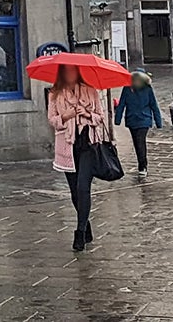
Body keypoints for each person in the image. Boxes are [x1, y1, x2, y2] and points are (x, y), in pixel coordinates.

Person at [48, 64, 107, 252]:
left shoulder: (90, 91)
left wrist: (87, 114)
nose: (70, 74)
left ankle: (79, 232)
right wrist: (65, 116)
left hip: (88, 145)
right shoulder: (55, 94)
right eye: (67, 71)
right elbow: (52, 120)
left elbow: (101, 117)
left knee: (83, 188)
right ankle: (86, 224)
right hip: (67, 146)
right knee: (75, 192)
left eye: (73, 70)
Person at [113, 68, 162, 178]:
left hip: (144, 120)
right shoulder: (127, 88)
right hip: (132, 120)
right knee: (137, 142)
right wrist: (117, 119)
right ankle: (142, 163)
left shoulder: (147, 89)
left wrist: (158, 122)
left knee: (140, 142)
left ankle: (142, 166)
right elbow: (122, 104)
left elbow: (154, 105)